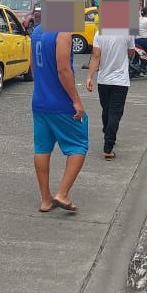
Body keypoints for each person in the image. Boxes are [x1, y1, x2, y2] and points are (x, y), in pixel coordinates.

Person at [30, 24, 88, 212]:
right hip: (61, 103)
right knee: (79, 144)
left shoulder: (37, 32)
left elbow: (33, 65)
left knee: (42, 149)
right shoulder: (62, 33)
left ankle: (45, 199)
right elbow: (63, 70)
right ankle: (62, 194)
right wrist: (76, 100)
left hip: (40, 101)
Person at [86, 32, 135, 159]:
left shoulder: (99, 32)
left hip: (103, 80)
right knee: (115, 113)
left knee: (106, 109)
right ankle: (108, 148)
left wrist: (89, 77)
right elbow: (130, 53)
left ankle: (107, 131)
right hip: (121, 81)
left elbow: (96, 56)